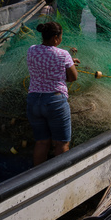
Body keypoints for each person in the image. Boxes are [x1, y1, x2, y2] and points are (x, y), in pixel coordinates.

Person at [26, 21, 79, 166]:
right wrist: (70, 64)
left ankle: (37, 177)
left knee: (42, 142)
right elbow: (73, 77)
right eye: (60, 37)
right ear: (56, 38)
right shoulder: (63, 54)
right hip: (55, 102)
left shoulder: (31, 50)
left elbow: (44, 62)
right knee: (61, 143)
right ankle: (60, 178)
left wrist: (67, 63)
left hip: (33, 101)